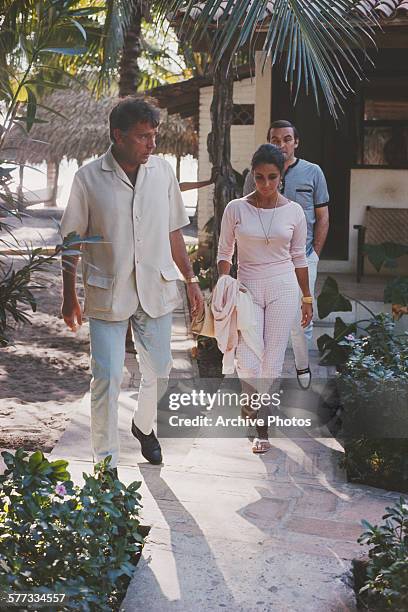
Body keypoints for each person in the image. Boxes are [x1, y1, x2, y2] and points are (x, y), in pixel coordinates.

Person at [60, 97, 204, 472]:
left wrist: (191, 280)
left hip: (155, 287)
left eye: (154, 135)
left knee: (160, 369)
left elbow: (175, 230)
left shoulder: (163, 173)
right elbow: (71, 240)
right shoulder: (88, 178)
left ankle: (143, 426)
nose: (152, 144)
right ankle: (104, 468)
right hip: (109, 289)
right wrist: (68, 295)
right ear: (118, 135)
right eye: (143, 137)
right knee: (105, 377)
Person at [217, 144, 313, 453]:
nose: (266, 185)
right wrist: (224, 282)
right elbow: (224, 252)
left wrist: (307, 298)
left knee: (271, 360)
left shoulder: (295, 212)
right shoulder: (236, 208)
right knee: (247, 359)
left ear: (282, 176)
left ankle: (262, 429)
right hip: (247, 288)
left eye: (273, 177)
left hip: (283, 286)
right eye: (259, 178)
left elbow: (299, 257)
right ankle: (251, 403)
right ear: (252, 176)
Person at [243, 120, 329, 389]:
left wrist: (314, 252)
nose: (281, 144)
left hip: (303, 257)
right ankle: (267, 378)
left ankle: (302, 365)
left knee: (299, 320)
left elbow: (323, 216)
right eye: (275, 139)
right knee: (269, 322)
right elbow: (247, 216)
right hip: (267, 263)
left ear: (296, 142)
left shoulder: (313, 172)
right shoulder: (254, 175)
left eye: (286, 139)